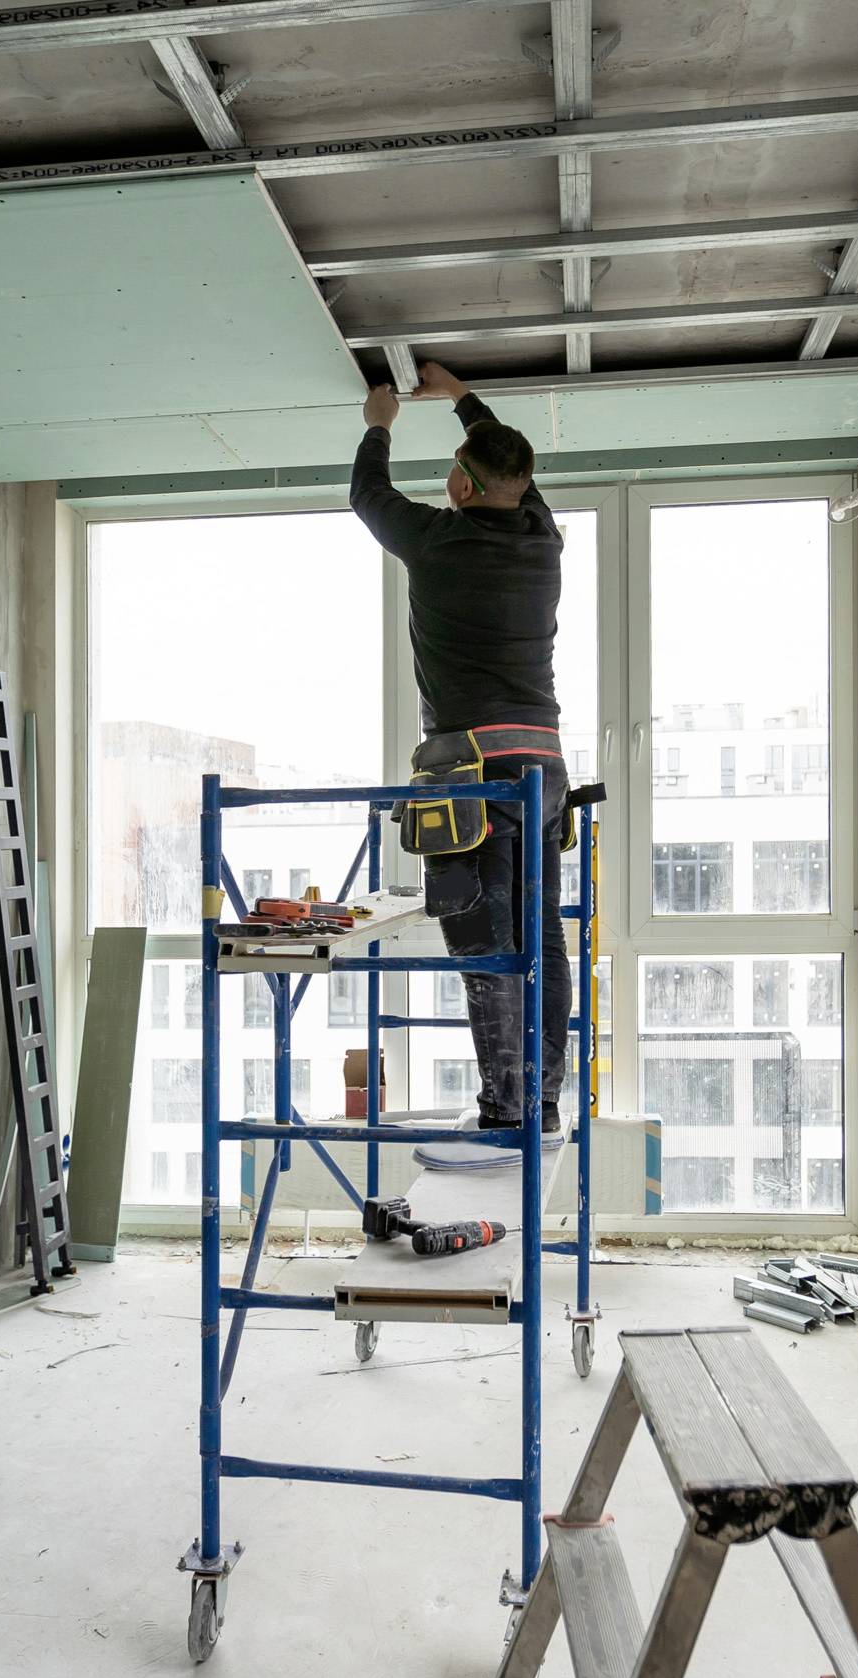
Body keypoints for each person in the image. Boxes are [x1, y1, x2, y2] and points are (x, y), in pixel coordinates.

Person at [350, 361, 572, 1156]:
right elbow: (510, 467)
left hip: (477, 767)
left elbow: (367, 496)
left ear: (460, 487)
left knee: (487, 940)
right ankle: (538, 1098)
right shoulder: (544, 535)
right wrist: (463, 404)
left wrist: (380, 420)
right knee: (540, 933)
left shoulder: (436, 542)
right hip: (544, 768)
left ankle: (504, 1107)